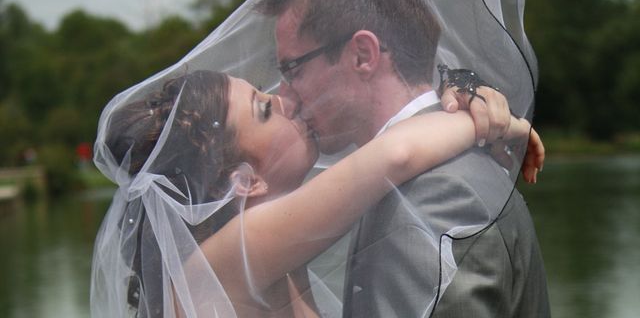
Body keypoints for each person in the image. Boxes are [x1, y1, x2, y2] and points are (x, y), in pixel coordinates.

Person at [91, 69, 535, 318]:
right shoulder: (236, 250)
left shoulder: (267, 257)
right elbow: (397, 154)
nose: (284, 101)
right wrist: (503, 124)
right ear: (245, 180)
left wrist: (458, 89)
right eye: (264, 110)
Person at [259, 0, 551, 317]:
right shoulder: (405, 176)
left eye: (293, 69)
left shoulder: (438, 196)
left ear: (363, 55)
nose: (286, 95)